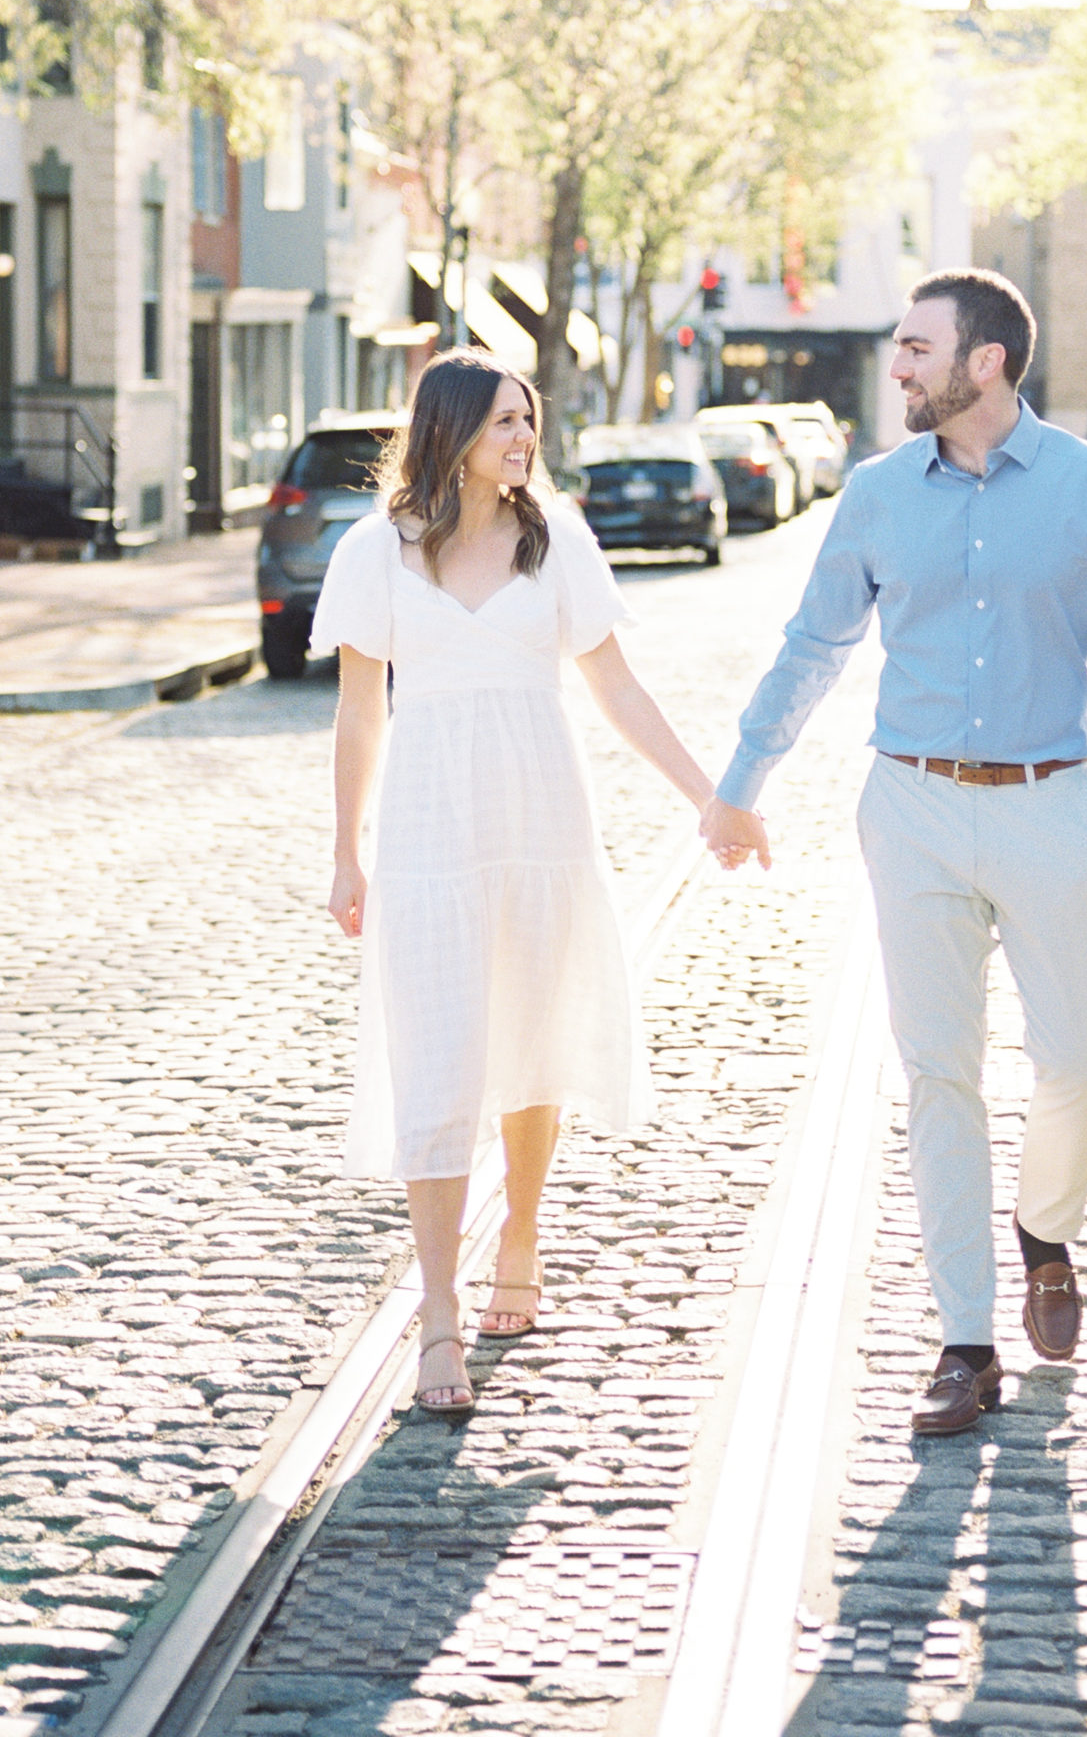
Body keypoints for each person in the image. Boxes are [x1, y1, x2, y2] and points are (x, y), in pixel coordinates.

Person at [701, 269, 1087, 1436]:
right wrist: (740, 782)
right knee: (938, 1075)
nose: (898, 366)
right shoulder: (873, 495)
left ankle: (1045, 1231)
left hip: (1050, 803)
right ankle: (967, 1337)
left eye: (917, 348)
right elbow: (813, 643)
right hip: (909, 808)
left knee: (1081, 1056)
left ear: (987, 361)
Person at [314, 349, 724, 1419]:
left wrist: (706, 793)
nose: (521, 438)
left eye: (527, 420)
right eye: (503, 420)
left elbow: (617, 686)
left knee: (533, 1046)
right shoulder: (377, 552)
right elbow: (361, 709)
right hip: (429, 827)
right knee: (437, 1056)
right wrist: (345, 852)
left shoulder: (557, 537)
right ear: (449, 428)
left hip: (542, 813)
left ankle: (525, 1228)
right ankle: (438, 1309)